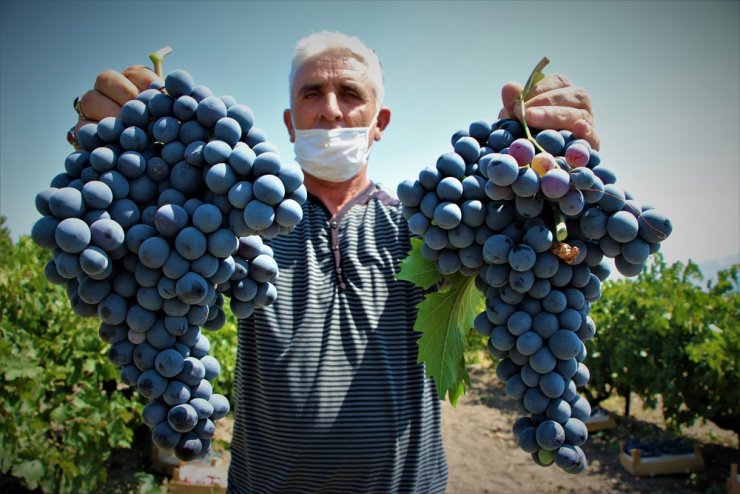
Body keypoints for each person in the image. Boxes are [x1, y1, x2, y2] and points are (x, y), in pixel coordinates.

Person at [72, 31, 598, 493]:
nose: (330, 109)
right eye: (311, 94)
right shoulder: (243, 223)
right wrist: (126, 159)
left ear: (379, 121)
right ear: (290, 121)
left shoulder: (428, 226)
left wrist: (556, 173)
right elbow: (139, 268)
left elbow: (531, 253)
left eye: (350, 93)